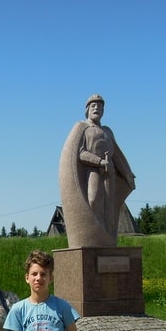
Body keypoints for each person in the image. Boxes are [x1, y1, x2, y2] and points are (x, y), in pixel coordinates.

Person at [59, 93, 136, 248]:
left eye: (100, 107)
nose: (97, 109)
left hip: (110, 173)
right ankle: (94, 238)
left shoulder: (108, 131)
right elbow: (80, 153)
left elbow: (117, 156)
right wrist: (99, 161)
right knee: (93, 201)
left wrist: (127, 174)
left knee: (110, 207)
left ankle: (107, 240)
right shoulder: (84, 128)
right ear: (87, 110)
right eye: (93, 106)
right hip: (93, 171)